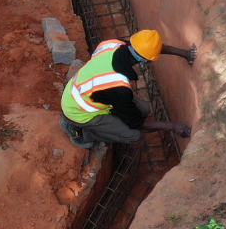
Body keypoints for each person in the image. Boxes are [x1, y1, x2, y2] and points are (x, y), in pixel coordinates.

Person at [60, 29, 195, 149]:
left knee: (144, 109)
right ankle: (79, 130)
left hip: (82, 90)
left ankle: (112, 116)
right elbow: (135, 122)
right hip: (78, 111)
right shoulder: (118, 86)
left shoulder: (114, 43)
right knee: (134, 135)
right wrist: (172, 126)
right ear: (146, 61)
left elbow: (151, 49)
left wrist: (186, 54)